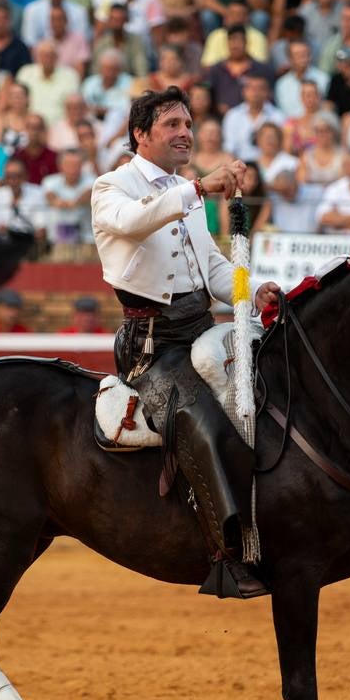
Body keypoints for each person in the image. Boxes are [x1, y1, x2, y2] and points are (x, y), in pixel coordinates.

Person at [88, 86, 278, 599]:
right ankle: (226, 553)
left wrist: (251, 290)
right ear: (140, 134)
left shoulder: (184, 190)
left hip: (200, 330)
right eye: (172, 124)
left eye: (188, 124)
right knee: (206, 422)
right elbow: (133, 222)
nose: (185, 133)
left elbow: (215, 266)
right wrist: (197, 188)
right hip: (152, 347)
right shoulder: (112, 187)